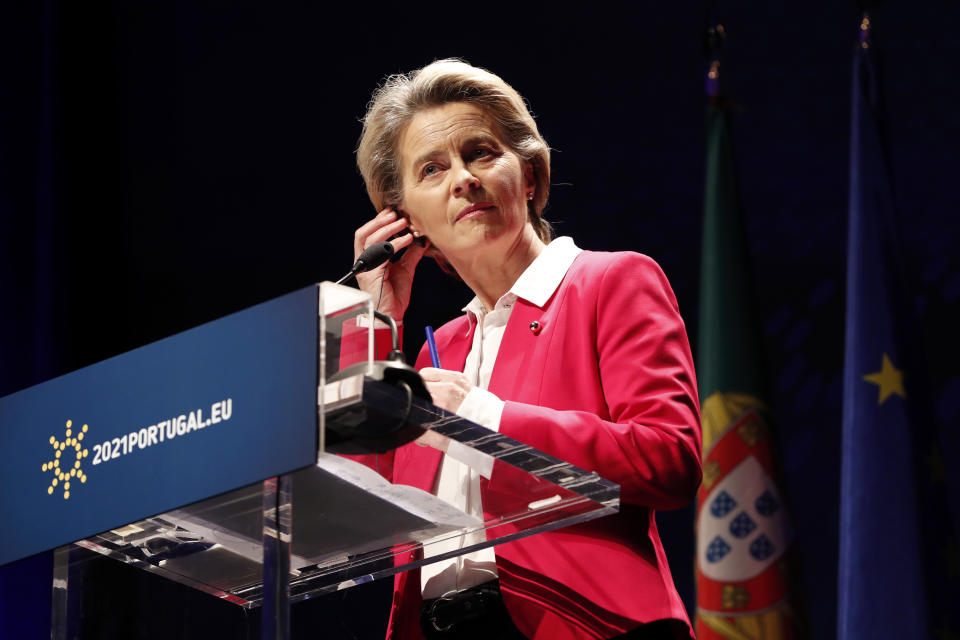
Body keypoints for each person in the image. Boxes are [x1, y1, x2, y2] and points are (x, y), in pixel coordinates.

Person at [350, 59, 702, 640]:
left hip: (586, 624)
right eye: (432, 169)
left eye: (481, 153)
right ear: (407, 220)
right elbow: (353, 508)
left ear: (530, 177)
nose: (462, 178)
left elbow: (670, 459)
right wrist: (378, 322)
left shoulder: (611, 282)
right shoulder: (433, 355)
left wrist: (480, 418)